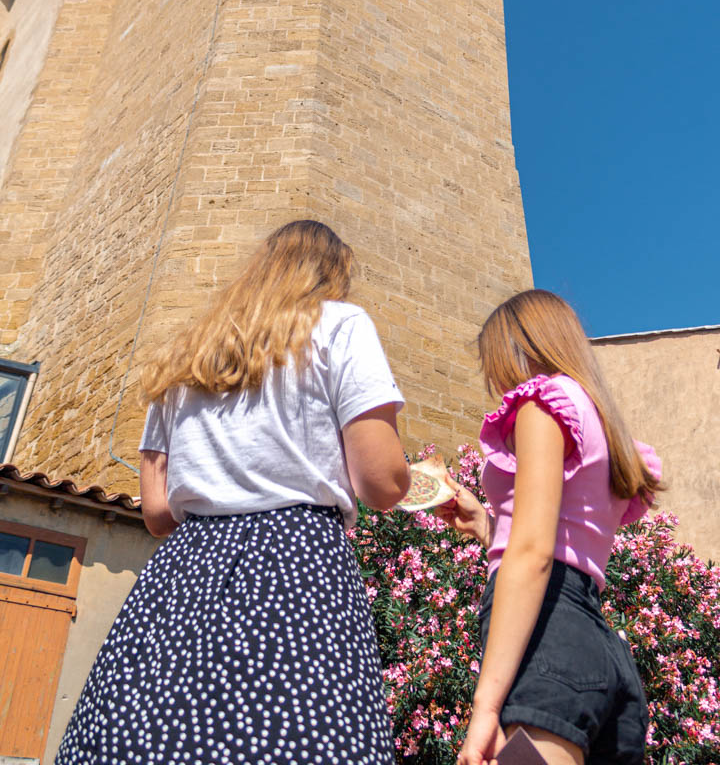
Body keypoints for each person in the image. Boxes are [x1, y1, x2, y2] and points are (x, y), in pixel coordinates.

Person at [55, 219, 410, 765]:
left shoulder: (189, 354)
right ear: (333, 275)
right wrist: (409, 477)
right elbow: (381, 483)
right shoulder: (341, 325)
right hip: (298, 566)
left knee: (151, 735)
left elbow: (156, 509)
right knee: (298, 734)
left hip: (183, 572)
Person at [438, 289, 663, 765]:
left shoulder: (542, 403)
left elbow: (534, 554)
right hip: (600, 650)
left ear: (519, 348)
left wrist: (485, 708)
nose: (496, 380)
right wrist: (486, 526)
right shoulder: (600, 422)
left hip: (549, 633)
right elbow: (567, 539)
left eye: (495, 363)